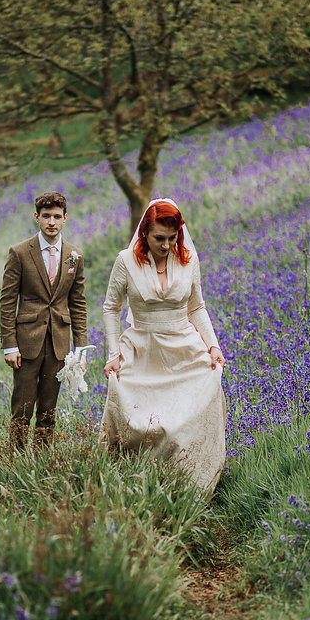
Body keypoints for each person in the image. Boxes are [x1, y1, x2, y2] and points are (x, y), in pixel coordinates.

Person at [100, 198, 226, 493]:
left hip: (183, 348)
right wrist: (114, 354)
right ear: (144, 233)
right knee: (137, 419)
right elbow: (110, 308)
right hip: (141, 348)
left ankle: (191, 484)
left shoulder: (189, 260)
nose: (167, 245)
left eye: (173, 238)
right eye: (160, 238)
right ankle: (133, 480)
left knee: (184, 421)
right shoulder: (125, 261)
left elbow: (197, 308)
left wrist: (213, 346)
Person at [0, 190, 88, 448]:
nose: (52, 222)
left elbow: (78, 302)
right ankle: (16, 458)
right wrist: (10, 344)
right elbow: (7, 301)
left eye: (57, 216)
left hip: (58, 342)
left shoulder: (74, 255)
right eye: (46, 216)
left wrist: (80, 347)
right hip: (27, 343)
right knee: (23, 407)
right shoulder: (19, 253)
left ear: (65, 219)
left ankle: (41, 461)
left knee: (49, 409)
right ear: (36, 217)